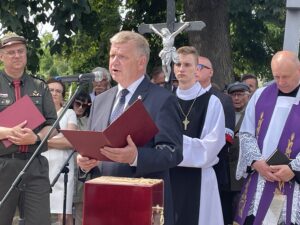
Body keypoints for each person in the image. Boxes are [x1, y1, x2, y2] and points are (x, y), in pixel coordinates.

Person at [77, 31, 183, 225]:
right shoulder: (100, 101)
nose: (114, 62)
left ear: (141, 62)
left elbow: (173, 153)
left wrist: (135, 157)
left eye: (122, 57)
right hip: (102, 204)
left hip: (141, 204)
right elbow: (95, 147)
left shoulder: (162, 100)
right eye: (112, 56)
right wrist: (85, 163)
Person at [234, 50, 300, 225]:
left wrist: (294, 169)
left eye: (285, 76)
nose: (280, 82)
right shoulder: (260, 95)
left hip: (293, 183)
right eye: (276, 76)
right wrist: (256, 161)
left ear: (299, 71)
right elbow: (246, 133)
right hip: (261, 178)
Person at [0, 32, 57, 225]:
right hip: (3, 165)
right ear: (1, 56)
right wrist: (8, 133)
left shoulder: (40, 86)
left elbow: (53, 125)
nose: (16, 55)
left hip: (34, 165)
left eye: (20, 51)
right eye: (10, 52)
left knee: (40, 222)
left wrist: (36, 138)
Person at [170, 46, 225, 225]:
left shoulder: (212, 102)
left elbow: (211, 146)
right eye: (178, 64)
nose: (181, 69)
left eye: (187, 64)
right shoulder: (165, 100)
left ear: (197, 70)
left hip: (200, 177)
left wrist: (172, 146)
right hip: (169, 176)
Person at [196, 56, 236, 225]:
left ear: (211, 72)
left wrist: (196, 150)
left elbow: (225, 138)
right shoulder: (181, 97)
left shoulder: (222, 99)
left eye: (200, 66)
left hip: (213, 167)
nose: (195, 70)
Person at [42, 78, 77, 225]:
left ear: (63, 95)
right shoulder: (38, 114)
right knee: (40, 213)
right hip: (41, 169)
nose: (54, 93)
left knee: (64, 215)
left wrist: (40, 142)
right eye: (51, 90)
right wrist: (56, 142)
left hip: (63, 171)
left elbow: (70, 141)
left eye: (58, 91)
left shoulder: (69, 113)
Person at [225, 82, 251, 224]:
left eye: (240, 95)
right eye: (233, 95)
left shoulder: (252, 114)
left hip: (243, 171)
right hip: (225, 170)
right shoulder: (224, 112)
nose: (236, 98)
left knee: (241, 208)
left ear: (247, 96)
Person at [70, 91, 91, 225]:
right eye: (78, 104)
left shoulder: (90, 120)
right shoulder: (63, 116)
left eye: (85, 106)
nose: (80, 108)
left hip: (81, 169)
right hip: (64, 166)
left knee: (80, 207)